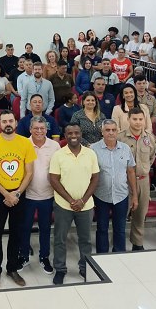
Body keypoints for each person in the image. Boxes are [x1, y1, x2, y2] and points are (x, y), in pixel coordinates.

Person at [0, 110, 36, 290]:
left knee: (16, 233)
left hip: (19, 194)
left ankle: (12, 268)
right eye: (4, 121)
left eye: (10, 120)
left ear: (16, 123)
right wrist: (6, 194)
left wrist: (17, 193)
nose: (8, 124)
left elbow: (29, 172)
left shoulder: (25, 143)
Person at [49, 122, 99, 285]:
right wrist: (71, 200)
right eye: (70, 133)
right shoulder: (58, 155)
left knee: (86, 240)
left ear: (81, 134)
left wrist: (83, 200)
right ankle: (60, 269)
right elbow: (54, 180)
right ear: (65, 135)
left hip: (86, 205)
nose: (73, 136)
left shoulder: (90, 154)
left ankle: (85, 267)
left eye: (76, 133)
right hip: (63, 205)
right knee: (60, 239)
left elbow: (95, 178)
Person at [18, 116, 59, 274]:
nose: (39, 131)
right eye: (36, 128)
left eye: (42, 128)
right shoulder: (23, 144)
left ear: (47, 129)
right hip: (27, 195)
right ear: (30, 129)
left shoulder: (54, 146)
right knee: (25, 228)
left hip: (48, 195)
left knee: (45, 228)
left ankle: (44, 257)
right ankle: (23, 256)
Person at [91, 119, 137, 253]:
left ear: (117, 131)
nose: (111, 133)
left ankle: (119, 255)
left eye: (113, 130)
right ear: (102, 132)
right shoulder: (93, 149)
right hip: (101, 196)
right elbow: (89, 174)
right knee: (102, 228)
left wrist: (134, 195)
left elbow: (131, 172)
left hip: (121, 195)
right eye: (107, 130)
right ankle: (102, 256)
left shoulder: (125, 148)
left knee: (120, 229)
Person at [117, 108, 156, 251]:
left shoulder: (149, 138)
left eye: (141, 119)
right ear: (128, 119)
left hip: (143, 180)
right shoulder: (120, 138)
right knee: (121, 214)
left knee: (140, 214)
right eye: (134, 119)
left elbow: (152, 156)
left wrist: (143, 169)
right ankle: (118, 243)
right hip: (124, 181)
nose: (138, 122)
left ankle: (137, 243)